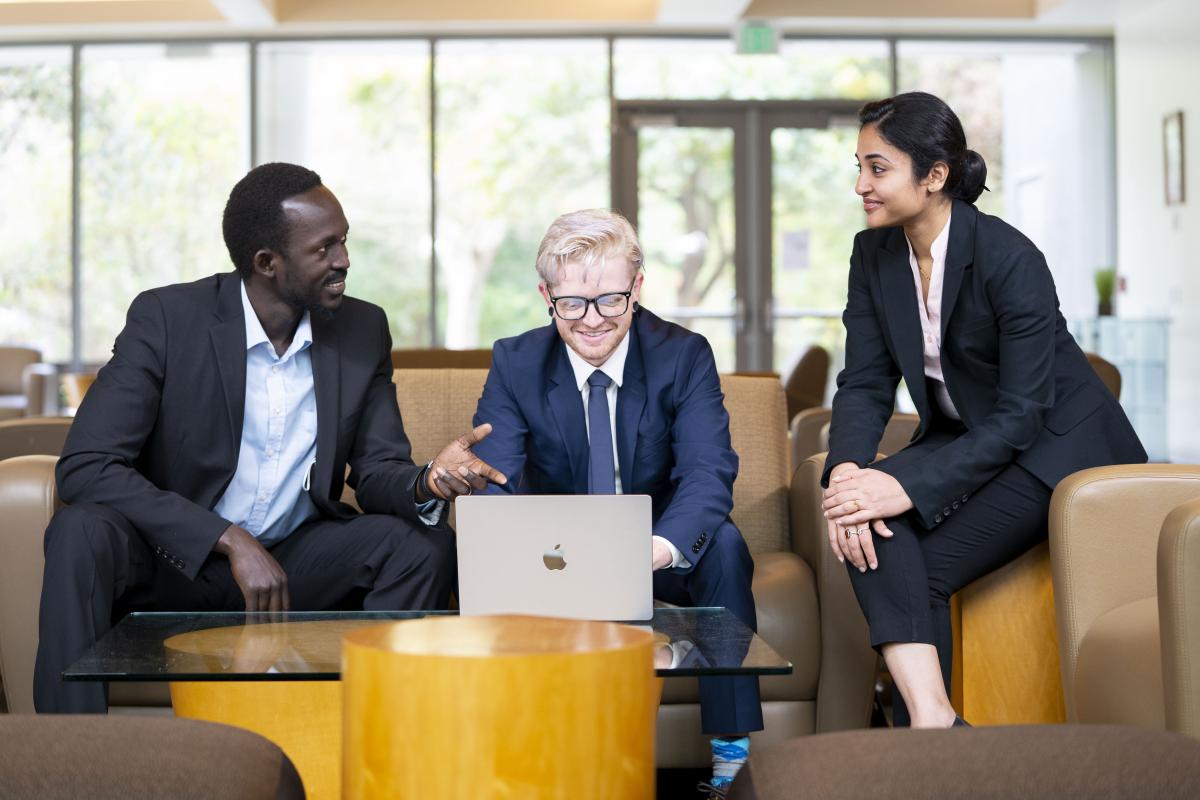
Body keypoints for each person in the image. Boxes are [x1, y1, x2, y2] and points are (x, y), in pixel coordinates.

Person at [35, 162, 505, 713]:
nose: (344, 260)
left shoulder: (361, 329)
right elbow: (86, 466)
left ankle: (378, 732)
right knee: (79, 529)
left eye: (344, 241)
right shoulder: (167, 319)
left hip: (291, 565)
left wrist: (428, 481)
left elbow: (377, 470)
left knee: (419, 547)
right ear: (266, 263)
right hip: (174, 562)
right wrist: (228, 538)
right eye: (325, 248)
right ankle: (67, 752)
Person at [820, 92, 1147, 728]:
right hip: (968, 435)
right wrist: (846, 475)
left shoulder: (1009, 258)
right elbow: (863, 383)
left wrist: (901, 485)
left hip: (1055, 448)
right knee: (875, 531)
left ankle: (928, 733)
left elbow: (1022, 414)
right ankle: (935, 721)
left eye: (877, 168)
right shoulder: (874, 254)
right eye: (858, 166)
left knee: (894, 544)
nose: (860, 184)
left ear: (934, 176)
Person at [470, 209, 761, 798]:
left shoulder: (683, 355)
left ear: (638, 287)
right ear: (546, 296)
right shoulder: (516, 360)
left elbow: (708, 471)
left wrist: (652, 551)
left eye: (611, 300)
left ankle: (731, 755)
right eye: (573, 304)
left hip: (656, 544)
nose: (594, 321)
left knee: (724, 544)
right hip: (560, 556)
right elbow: (496, 476)